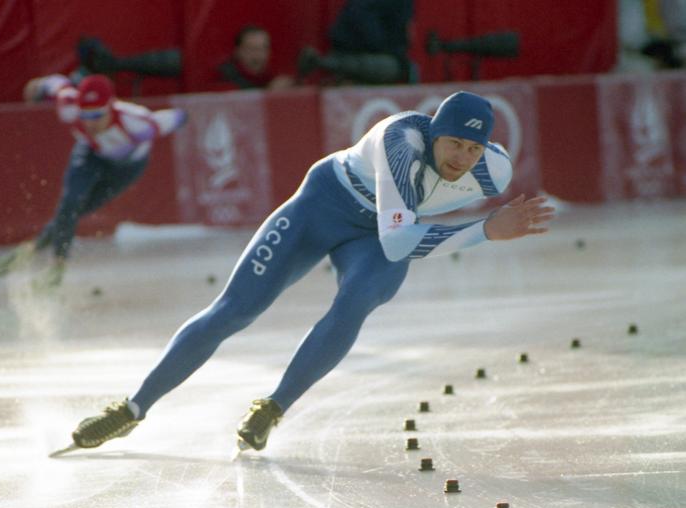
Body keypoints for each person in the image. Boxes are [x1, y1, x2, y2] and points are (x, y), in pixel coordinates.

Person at [68, 91, 555, 453]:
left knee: (354, 304)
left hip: (376, 234)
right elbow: (400, 241)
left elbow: (399, 236)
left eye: (472, 150)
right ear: (433, 132)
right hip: (323, 205)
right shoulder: (401, 139)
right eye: (453, 144)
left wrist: (483, 224)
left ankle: (272, 407)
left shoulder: (495, 172)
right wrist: (486, 230)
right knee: (234, 312)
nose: (461, 160)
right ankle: (132, 408)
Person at [0, 74, 187, 288]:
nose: (90, 122)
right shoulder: (69, 105)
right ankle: (57, 268)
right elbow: (55, 85)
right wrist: (37, 86)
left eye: (97, 114)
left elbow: (179, 116)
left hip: (126, 168)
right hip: (91, 154)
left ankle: (30, 250)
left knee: (78, 211)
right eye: (85, 114)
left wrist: (189, 118)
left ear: (111, 107)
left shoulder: (138, 122)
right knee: (70, 203)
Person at [298, 0, 417, 85]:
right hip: (352, 50)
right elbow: (361, 20)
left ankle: (329, 66)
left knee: (396, 67)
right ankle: (323, 63)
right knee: (392, 67)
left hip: (359, 50)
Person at [216, 25, 295, 90]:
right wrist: (269, 91)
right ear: (238, 51)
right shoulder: (225, 76)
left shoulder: (269, 75)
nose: (259, 55)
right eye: (252, 49)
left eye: (264, 48)